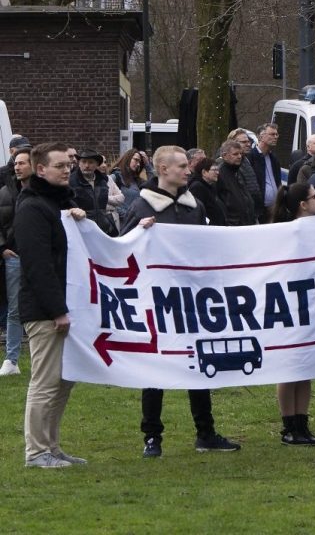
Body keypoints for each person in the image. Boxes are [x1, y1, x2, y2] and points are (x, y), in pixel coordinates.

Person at [121, 145, 241, 458]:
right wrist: (139, 232)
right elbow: (121, 249)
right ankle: (152, 436)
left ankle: (205, 433)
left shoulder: (194, 206)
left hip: (191, 298)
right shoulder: (142, 206)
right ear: (163, 169)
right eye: (182, 166)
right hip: (156, 299)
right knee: (154, 369)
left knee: (199, 364)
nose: (188, 171)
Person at [16, 142, 87, 468]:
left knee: (63, 382)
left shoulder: (59, 205)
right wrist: (57, 310)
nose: (67, 170)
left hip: (63, 306)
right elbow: (38, 265)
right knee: (45, 382)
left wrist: (78, 217)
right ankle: (36, 451)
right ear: (41, 169)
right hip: (45, 310)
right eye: (60, 165)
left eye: (69, 165)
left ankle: (52, 446)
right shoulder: (32, 208)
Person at [270, 183, 315, 445]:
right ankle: (289, 426)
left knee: (305, 366)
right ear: (303, 204)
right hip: (288, 306)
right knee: (289, 367)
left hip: (310, 304)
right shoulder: (283, 233)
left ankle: (302, 424)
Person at [0, 147, 32, 377]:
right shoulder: (5, 192)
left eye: (22, 163)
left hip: (40, 257)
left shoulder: (46, 192)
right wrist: (3, 248)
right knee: (14, 309)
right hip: (14, 257)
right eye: (16, 163)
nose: (17, 167)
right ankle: (11, 359)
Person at [69, 149, 117, 236]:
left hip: (102, 230)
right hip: (82, 231)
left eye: (91, 162)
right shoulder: (71, 181)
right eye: (84, 162)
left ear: (97, 164)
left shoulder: (103, 181)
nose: (87, 165)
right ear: (79, 163)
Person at [216, 140, 256, 226]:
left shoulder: (238, 171)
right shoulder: (219, 174)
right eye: (235, 154)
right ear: (224, 156)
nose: (239, 156)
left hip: (246, 223)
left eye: (241, 154)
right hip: (233, 225)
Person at [248, 123, 282, 223]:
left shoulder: (274, 158)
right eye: (272, 134)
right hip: (259, 210)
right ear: (260, 136)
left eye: (276, 134)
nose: (275, 137)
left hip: (275, 208)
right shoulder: (250, 157)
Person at [188, 158, 227, 226]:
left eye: (217, 170)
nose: (217, 173)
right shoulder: (197, 188)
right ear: (204, 172)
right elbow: (197, 213)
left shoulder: (211, 186)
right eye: (214, 170)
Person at [111, 148, 146, 223]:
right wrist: (127, 215)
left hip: (135, 223)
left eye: (139, 162)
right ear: (128, 158)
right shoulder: (116, 177)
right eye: (136, 160)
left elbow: (153, 188)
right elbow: (106, 201)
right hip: (121, 224)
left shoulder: (137, 181)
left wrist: (147, 165)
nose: (138, 164)